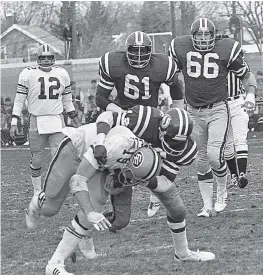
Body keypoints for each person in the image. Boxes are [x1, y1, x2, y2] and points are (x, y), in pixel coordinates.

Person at [45, 126, 214, 275]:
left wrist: (145, 180)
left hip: (150, 168)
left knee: (178, 210)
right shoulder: (123, 139)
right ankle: (60, 257)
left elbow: (166, 181)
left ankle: (182, 253)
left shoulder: (184, 151)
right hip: (99, 154)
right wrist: (100, 141)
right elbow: (78, 180)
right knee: (88, 207)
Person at [168, 18, 256, 217]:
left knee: (215, 155)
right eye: (199, 34)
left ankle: (222, 194)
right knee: (200, 160)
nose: (203, 38)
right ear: (192, 36)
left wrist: (250, 94)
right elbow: (169, 72)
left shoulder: (226, 48)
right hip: (192, 110)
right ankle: (207, 205)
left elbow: (246, 74)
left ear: (214, 35)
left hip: (218, 108)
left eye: (207, 34)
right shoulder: (180, 47)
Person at [95, 30, 185, 218]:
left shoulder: (162, 65)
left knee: (166, 157)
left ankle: (157, 196)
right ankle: (111, 206)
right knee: (115, 163)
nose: (137, 56)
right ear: (126, 51)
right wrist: (120, 113)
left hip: (152, 119)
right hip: (124, 119)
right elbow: (100, 98)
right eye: (133, 51)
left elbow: (177, 90)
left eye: (142, 51)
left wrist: (176, 112)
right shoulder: (114, 63)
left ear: (150, 51)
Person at [10, 44, 81, 195]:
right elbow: (19, 100)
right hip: (37, 120)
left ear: (54, 58)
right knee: (36, 158)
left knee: (59, 157)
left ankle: (56, 187)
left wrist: (75, 119)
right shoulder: (28, 74)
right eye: (43, 58)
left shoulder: (62, 73)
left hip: (56, 119)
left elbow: (67, 101)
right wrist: (14, 121)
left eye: (50, 58)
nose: (47, 61)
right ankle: (37, 191)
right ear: (38, 59)